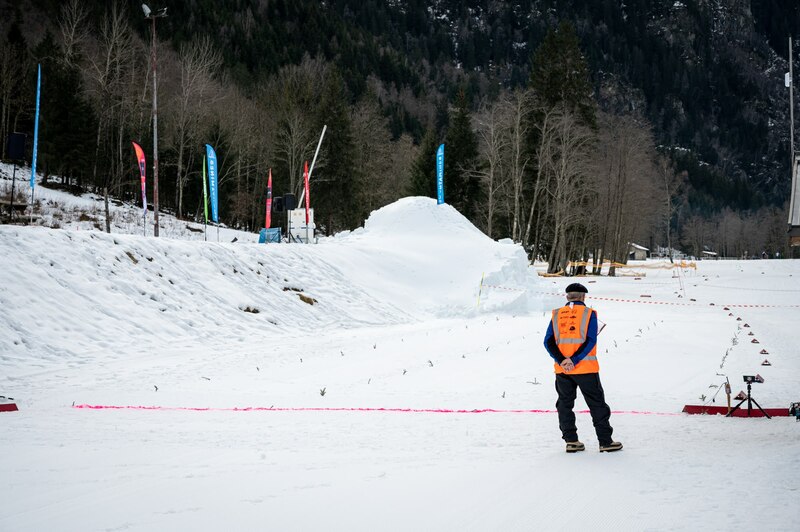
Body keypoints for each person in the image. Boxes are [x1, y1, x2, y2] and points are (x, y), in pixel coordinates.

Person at [543, 282, 623, 453]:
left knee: (564, 405)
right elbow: (590, 340)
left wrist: (562, 361)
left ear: (567, 296)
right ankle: (605, 442)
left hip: (563, 370)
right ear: (583, 297)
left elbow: (548, 341)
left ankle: (571, 441)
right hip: (586, 369)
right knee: (597, 404)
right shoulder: (589, 314)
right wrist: (574, 360)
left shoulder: (556, 314)